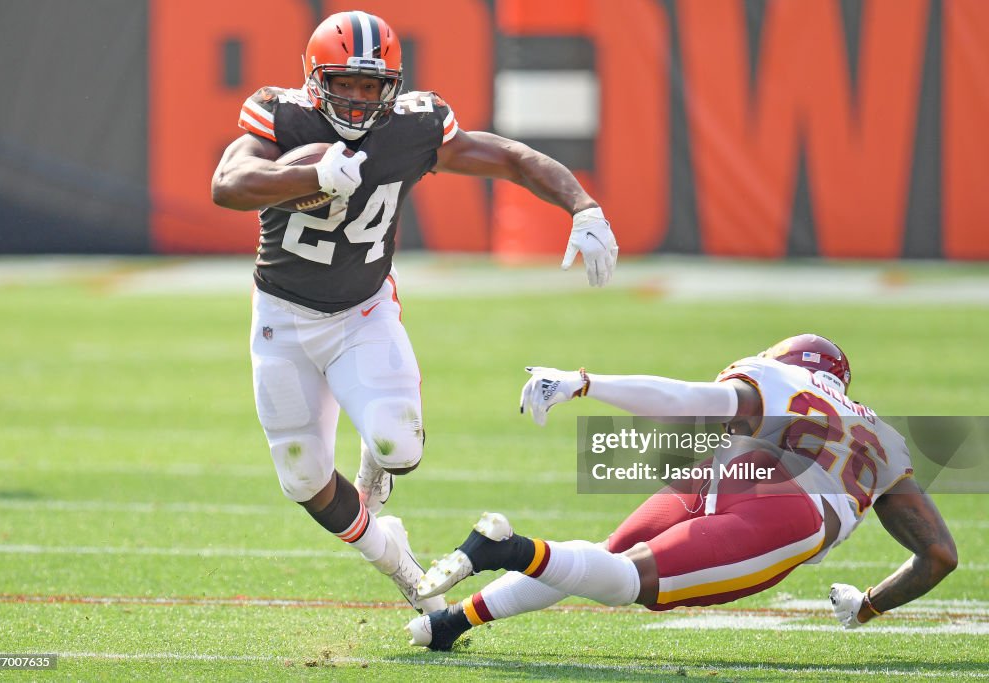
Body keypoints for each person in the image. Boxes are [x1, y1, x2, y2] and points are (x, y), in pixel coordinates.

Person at [210, 10, 619, 614]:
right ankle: (397, 559)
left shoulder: (411, 128)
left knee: (399, 447)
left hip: (362, 312)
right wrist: (307, 173)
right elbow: (227, 182)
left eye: (369, 85)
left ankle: (378, 457)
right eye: (343, 83)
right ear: (315, 79)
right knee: (301, 477)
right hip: (282, 317)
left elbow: (509, 157)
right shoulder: (283, 117)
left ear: (391, 87)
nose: (355, 98)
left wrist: (582, 205)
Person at [406, 334, 958, 648]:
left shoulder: (776, 379)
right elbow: (938, 555)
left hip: (732, 472)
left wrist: (586, 384)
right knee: (624, 582)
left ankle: (448, 623)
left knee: (604, 560)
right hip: (794, 510)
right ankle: (505, 549)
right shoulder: (883, 440)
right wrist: (865, 608)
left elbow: (683, 399)